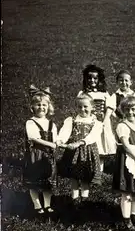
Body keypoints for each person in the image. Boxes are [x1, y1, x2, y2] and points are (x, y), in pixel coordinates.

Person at [112, 95, 135, 230]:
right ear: (123, 111)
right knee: (127, 193)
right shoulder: (122, 126)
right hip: (128, 161)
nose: (130, 112)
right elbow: (126, 146)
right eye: (126, 109)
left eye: (133, 109)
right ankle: (126, 221)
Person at [57, 93, 102, 204]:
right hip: (73, 152)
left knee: (85, 176)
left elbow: (93, 136)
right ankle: (75, 199)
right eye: (79, 106)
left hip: (88, 151)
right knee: (74, 176)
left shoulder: (96, 122)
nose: (82, 109)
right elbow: (65, 131)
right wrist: (60, 140)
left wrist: (80, 142)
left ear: (92, 107)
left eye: (85, 106)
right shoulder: (71, 120)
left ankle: (85, 200)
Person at [23, 86, 58, 215]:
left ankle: (47, 204)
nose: (41, 107)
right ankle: (37, 204)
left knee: (47, 181)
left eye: (44, 105)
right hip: (35, 155)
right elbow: (34, 138)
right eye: (38, 105)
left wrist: (58, 143)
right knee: (34, 181)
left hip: (48, 156)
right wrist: (51, 144)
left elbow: (56, 138)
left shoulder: (51, 123)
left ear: (48, 107)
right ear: (32, 106)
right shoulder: (31, 122)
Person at [78, 64, 114, 172]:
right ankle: (89, 169)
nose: (92, 80)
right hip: (89, 121)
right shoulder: (83, 93)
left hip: (102, 121)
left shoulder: (104, 93)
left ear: (99, 79)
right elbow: (80, 107)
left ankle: (100, 170)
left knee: (101, 145)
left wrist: (106, 118)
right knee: (90, 143)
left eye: (95, 78)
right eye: (89, 78)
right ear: (86, 79)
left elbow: (110, 106)